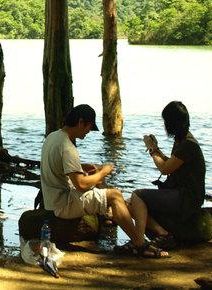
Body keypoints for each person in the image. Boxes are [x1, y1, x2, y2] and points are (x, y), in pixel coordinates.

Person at [41, 104, 168, 258]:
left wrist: (86, 167)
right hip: (64, 204)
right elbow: (81, 185)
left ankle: (108, 215)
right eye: (88, 127)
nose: (88, 131)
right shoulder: (68, 147)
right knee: (115, 195)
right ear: (81, 122)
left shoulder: (53, 137)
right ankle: (140, 244)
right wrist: (103, 172)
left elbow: (59, 164)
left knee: (102, 185)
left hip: (53, 199)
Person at [132, 101, 206, 250]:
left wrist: (152, 149)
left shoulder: (188, 144)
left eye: (165, 121)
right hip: (178, 192)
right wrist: (156, 149)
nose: (164, 125)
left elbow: (165, 169)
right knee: (128, 204)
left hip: (187, 197)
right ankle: (163, 233)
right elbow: (172, 164)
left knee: (137, 195)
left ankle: (139, 242)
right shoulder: (181, 140)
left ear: (172, 122)